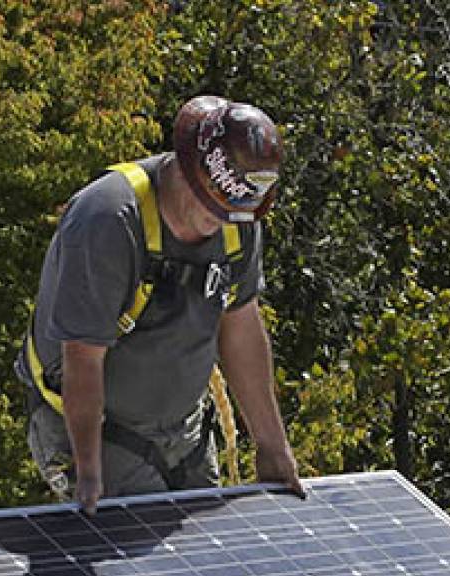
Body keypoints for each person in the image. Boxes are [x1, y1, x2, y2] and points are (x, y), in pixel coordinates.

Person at [17, 94, 304, 514]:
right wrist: (90, 472)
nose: (219, 221)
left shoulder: (238, 218)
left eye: (231, 213)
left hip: (183, 431)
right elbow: (82, 356)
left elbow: (241, 326)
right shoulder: (108, 219)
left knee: (204, 566)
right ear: (185, 171)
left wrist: (272, 445)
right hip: (99, 429)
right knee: (137, 558)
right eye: (211, 208)